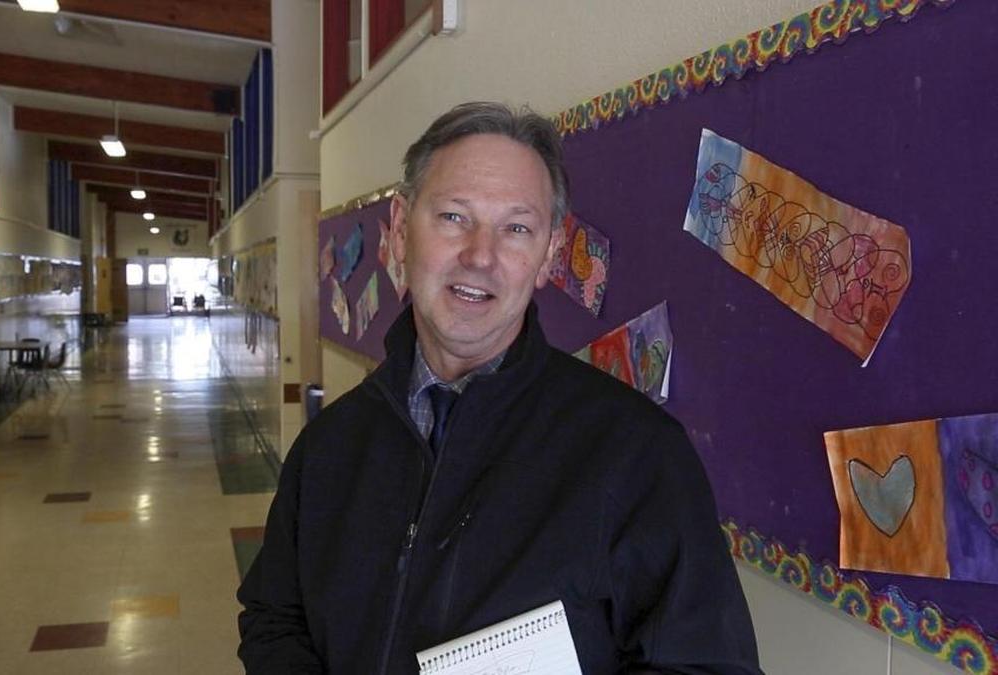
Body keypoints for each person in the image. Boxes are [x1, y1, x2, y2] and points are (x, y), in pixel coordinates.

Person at [237, 102, 761, 674]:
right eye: (454, 217)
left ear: (549, 256)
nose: (480, 256)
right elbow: (273, 616)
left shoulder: (637, 455)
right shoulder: (328, 448)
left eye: (516, 228)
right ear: (399, 230)